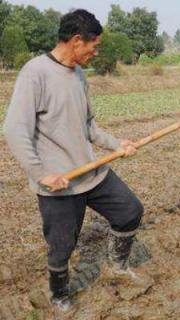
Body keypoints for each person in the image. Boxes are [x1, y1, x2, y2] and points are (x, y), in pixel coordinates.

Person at [3, 9, 144, 311]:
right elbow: (15, 130)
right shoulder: (35, 73)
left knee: (130, 211)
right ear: (77, 40)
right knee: (62, 246)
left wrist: (117, 144)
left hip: (91, 172)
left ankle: (116, 267)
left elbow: (88, 125)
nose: (96, 52)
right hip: (59, 183)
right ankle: (59, 295)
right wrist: (41, 174)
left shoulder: (79, 75)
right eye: (95, 45)